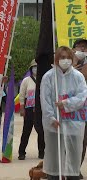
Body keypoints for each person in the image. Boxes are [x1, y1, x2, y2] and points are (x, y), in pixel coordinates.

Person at [41, 46, 87, 180]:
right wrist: (51, 118)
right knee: (54, 158)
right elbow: (45, 100)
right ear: (56, 59)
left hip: (74, 123)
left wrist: (66, 103)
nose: (65, 60)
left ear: (72, 59)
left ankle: (73, 175)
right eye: (62, 57)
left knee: (73, 158)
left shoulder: (78, 77)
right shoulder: (49, 77)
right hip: (55, 124)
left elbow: (82, 97)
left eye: (68, 57)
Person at [18, 59, 45, 160]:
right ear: (31, 68)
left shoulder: (43, 79)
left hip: (40, 110)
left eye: (37, 67)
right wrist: (22, 108)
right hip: (28, 109)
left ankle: (41, 152)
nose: (36, 69)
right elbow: (21, 95)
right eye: (34, 67)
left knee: (41, 131)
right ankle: (21, 152)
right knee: (26, 131)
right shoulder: (26, 80)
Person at [71, 38, 87, 179]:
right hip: (73, 112)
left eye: (85, 48)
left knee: (83, 141)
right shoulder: (68, 67)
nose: (82, 49)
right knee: (75, 141)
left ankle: (75, 169)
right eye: (79, 47)